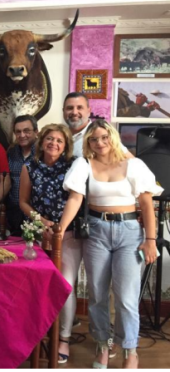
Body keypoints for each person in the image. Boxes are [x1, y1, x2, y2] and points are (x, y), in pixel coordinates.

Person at [59, 120, 162, 369]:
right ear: (88, 142)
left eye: (104, 137)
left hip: (129, 233)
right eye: (94, 139)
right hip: (96, 232)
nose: (100, 143)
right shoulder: (83, 164)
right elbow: (75, 199)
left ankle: (130, 351)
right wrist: (60, 230)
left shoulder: (134, 165)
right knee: (97, 295)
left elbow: (146, 204)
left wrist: (150, 240)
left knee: (126, 298)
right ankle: (103, 346)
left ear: (113, 137)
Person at [18, 123, 76, 364]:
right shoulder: (29, 167)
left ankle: (63, 338)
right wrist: (42, 223)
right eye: (50, 139)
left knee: (65, 285)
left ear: (65, 146)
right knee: (35, 286)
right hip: (38, 233)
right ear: (41, 142)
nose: (54, 143)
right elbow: (23, 202)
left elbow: (78, 199)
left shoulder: (74, 166)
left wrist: (59, 227)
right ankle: (33, 336)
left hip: (68, 235)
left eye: (59, 141)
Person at [7, 115, 39, 235]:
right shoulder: (11, 152)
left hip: (35, 215)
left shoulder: (43, 153)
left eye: (26, 131)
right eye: (18, 132)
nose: (22, 135)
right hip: (13, 215)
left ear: (36, 131)